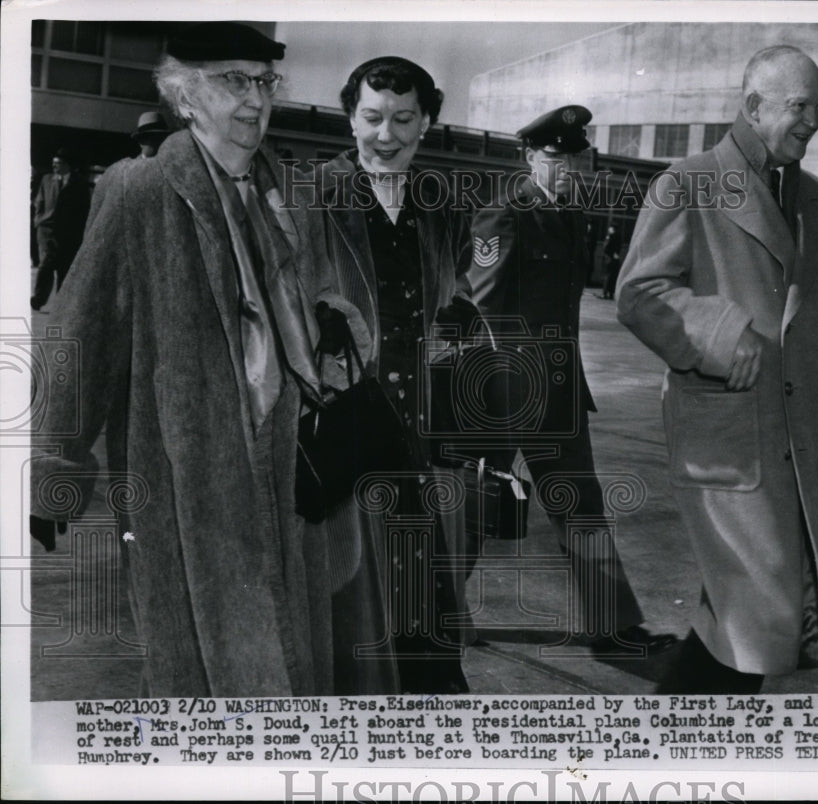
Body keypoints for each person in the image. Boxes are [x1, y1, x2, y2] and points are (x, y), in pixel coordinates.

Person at [31, 22, 389, 697]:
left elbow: (327, 299)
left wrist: (335, 322)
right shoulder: (139, 193)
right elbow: (85, 332)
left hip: (295, 474)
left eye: (263, 82)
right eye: (234, 82)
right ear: (186, 97)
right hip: (191, 481)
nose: (255, 100)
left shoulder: (291, 196)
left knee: (294, 665)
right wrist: (57, 467)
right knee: (214, 677)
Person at [617, 46, 818, 693]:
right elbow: (638, 292)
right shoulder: (686, 184)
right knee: (754, 613)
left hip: (799, 441)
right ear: (754, 105)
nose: (813, 123)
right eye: (801, 107)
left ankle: (689, 752)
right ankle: (682, 753)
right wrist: (716, 332)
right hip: (729, 442)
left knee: (745, 619)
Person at [468, 105, 672, 655]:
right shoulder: (503, 213)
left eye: (574, 158)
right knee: (475, 508)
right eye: (554, 157)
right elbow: (483, 305)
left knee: (581, 504)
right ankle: (435, 615)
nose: (566, 169)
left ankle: (613, 625)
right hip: (510, 389)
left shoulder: (571, 215)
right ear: (532, 156)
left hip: (560, 392)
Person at [314, 56, 474, 694]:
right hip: (349, 423)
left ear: (426, 120)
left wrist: (458, 313)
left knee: (422, 588)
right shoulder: (315, 195)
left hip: (417, 430)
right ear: (350, 118)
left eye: (403, 119)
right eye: (372, 118)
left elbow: (459, 278)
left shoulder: (438, 202)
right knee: (356, 595)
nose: (387, 136)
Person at [30, 148, 91, 310]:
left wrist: (80, 232)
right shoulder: (46, 180)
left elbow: (85, 209)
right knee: (45, 265)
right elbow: (39, 202)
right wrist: (38, 221)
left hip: (68, 234)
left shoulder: (79, 183)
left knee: (64, 268)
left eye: (57, 164)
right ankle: (38, 299)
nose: (54, 167)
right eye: (53, 163)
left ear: (67, 165)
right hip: (46, 231)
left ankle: (61, 303)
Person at [601, 223, 622, 300]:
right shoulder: (619, 237)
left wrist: (608, 254)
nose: (608, 229)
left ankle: (605, 293)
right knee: (613, 277)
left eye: (610, 228)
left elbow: (606, 248)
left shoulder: (610, 237)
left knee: (607, 276)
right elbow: (618, 248)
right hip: (615, 258)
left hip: (609, 258)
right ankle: (611, 293)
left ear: (612, 229)